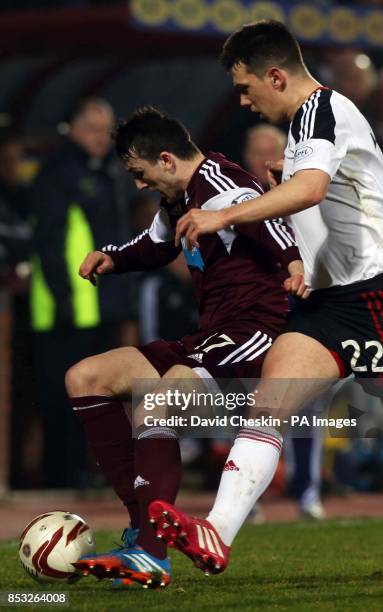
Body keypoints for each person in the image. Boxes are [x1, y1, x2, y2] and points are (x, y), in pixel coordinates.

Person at [150, 19, 383, 575]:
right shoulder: (306, 127)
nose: (243, 100)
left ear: (275, 76)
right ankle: (216, 533)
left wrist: (224, 213)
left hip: (373, 293)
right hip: (327, 305)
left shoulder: (322, 108)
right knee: (268, 405)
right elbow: (317, 195)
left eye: (246, 86)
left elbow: (313, 190)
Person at [65, 106, 305, 588]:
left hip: (254, 329)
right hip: (209, 334)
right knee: (84, 377)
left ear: (168, 159)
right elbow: (157, 245)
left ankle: (151, 554)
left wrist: (295, 264)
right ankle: (142, 532)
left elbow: (273, 225)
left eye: (140, 173)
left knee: (159, 401)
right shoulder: (180, 196)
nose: (138, 185)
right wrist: (112, 257)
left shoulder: (222, 183)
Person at [29, 97, 132, 488]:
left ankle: (91, 471)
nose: (101, 139)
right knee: (62, 393)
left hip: (101, 304)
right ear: (71, 128)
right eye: (91, 129)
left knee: (100, 393)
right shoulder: (57, 173)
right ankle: (63, 473)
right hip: (66, 306)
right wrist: (64, 298)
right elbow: (51, 244)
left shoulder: (108, 170)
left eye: (106, 131)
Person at [244, 124, 325, 520]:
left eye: (270, 152)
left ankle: (307, 491)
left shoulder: (309, 199)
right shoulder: (236, 204)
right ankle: (249, 495)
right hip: (257, 314)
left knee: (307, 404)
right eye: (255, 152)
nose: (262, 162)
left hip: (303, 310)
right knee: (253, 403)